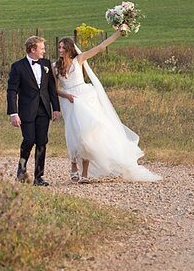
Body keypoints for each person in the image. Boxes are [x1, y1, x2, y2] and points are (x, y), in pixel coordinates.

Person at [56, 27, 162, 183]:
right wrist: (67, 96)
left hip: (85, 98)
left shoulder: (79, 60)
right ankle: (73, 166)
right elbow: (54, 89)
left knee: (87, 134)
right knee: (73, 134)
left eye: (63, 47)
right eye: (59, 47)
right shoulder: (55, 66)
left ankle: (85, 174)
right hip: (69, 101)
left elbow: (100, 47)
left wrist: (118, 32)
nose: (60, 50)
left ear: (69, 49)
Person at [7, 36, 61, 186]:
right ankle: (22, 169)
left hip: (44, 109)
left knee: (42, 142)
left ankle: (38, 177)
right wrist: (13, 113)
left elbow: (51, 87)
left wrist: (55, 107)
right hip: (26, 111)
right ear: (32, 49)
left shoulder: (46, 64)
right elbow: (12, 91)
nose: (44, 50)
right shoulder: (17, 67)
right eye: (42, 48)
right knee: (29, 140)